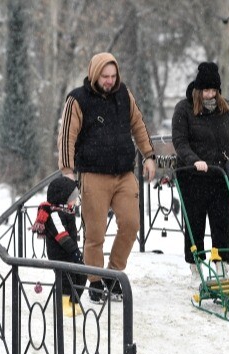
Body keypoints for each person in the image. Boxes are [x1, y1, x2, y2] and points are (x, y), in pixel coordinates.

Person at [57, 52, 157, 303]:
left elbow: (139, 125)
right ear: (94, 74)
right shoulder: (77, 99)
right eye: (105, 76)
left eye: (113, 76)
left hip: (124, 173)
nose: (110, 81)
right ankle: (95, 280)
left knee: (132, 224)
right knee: (95, 233)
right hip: (93, 174)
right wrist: (67, 170)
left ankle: (113, 273)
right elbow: (67, 135)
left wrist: (149, 155)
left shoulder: (124, 95)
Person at [171, 61, 229, 281]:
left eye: (213, 90)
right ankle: (196, 266)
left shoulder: (226, 108)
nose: (210, 95)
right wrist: (194, 160)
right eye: (206, 90)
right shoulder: (184, 109)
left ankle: (221, 266)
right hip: (193, 176)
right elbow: (180, 142)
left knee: (221, 222)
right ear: (198, 90)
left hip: (220, 177)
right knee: (195, 223)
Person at [32, 176, 86, 316]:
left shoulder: (67, 212)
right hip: (59, 254)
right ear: (63, 198)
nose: (76, 201)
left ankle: (74, 302)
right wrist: (74, 251)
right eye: (73, 197)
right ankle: (63, 304)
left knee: (81, 275)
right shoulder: (54, 214)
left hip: (69, 251)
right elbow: (61, 235)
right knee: (66, 279)